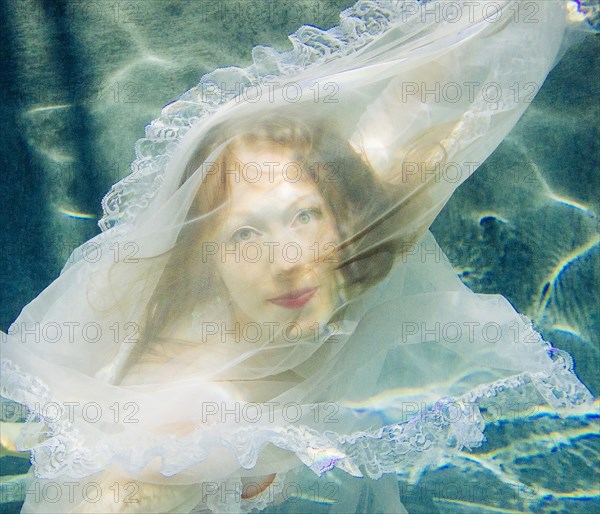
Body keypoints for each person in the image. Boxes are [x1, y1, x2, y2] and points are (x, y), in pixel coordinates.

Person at [1, 1, 594, 513]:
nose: (287, 259)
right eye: (244, 236)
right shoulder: (187, 416)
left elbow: (421, 141)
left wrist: (533, 19)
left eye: (304, 215)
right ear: (209, 259)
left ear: (342, 215)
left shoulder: (335, 268)